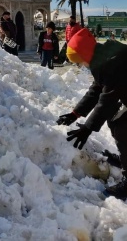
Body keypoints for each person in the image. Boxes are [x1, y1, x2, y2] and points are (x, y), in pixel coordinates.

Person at [57, 28, 127, 200]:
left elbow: (106, 101)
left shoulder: (112, 63)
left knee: (122, 128)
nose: (81, 65)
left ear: (85, 54)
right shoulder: (102, 58)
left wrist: (87, 129)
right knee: (116, 122)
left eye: (79, 61)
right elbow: (96, 89)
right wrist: (75, 113)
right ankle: (125, 158)